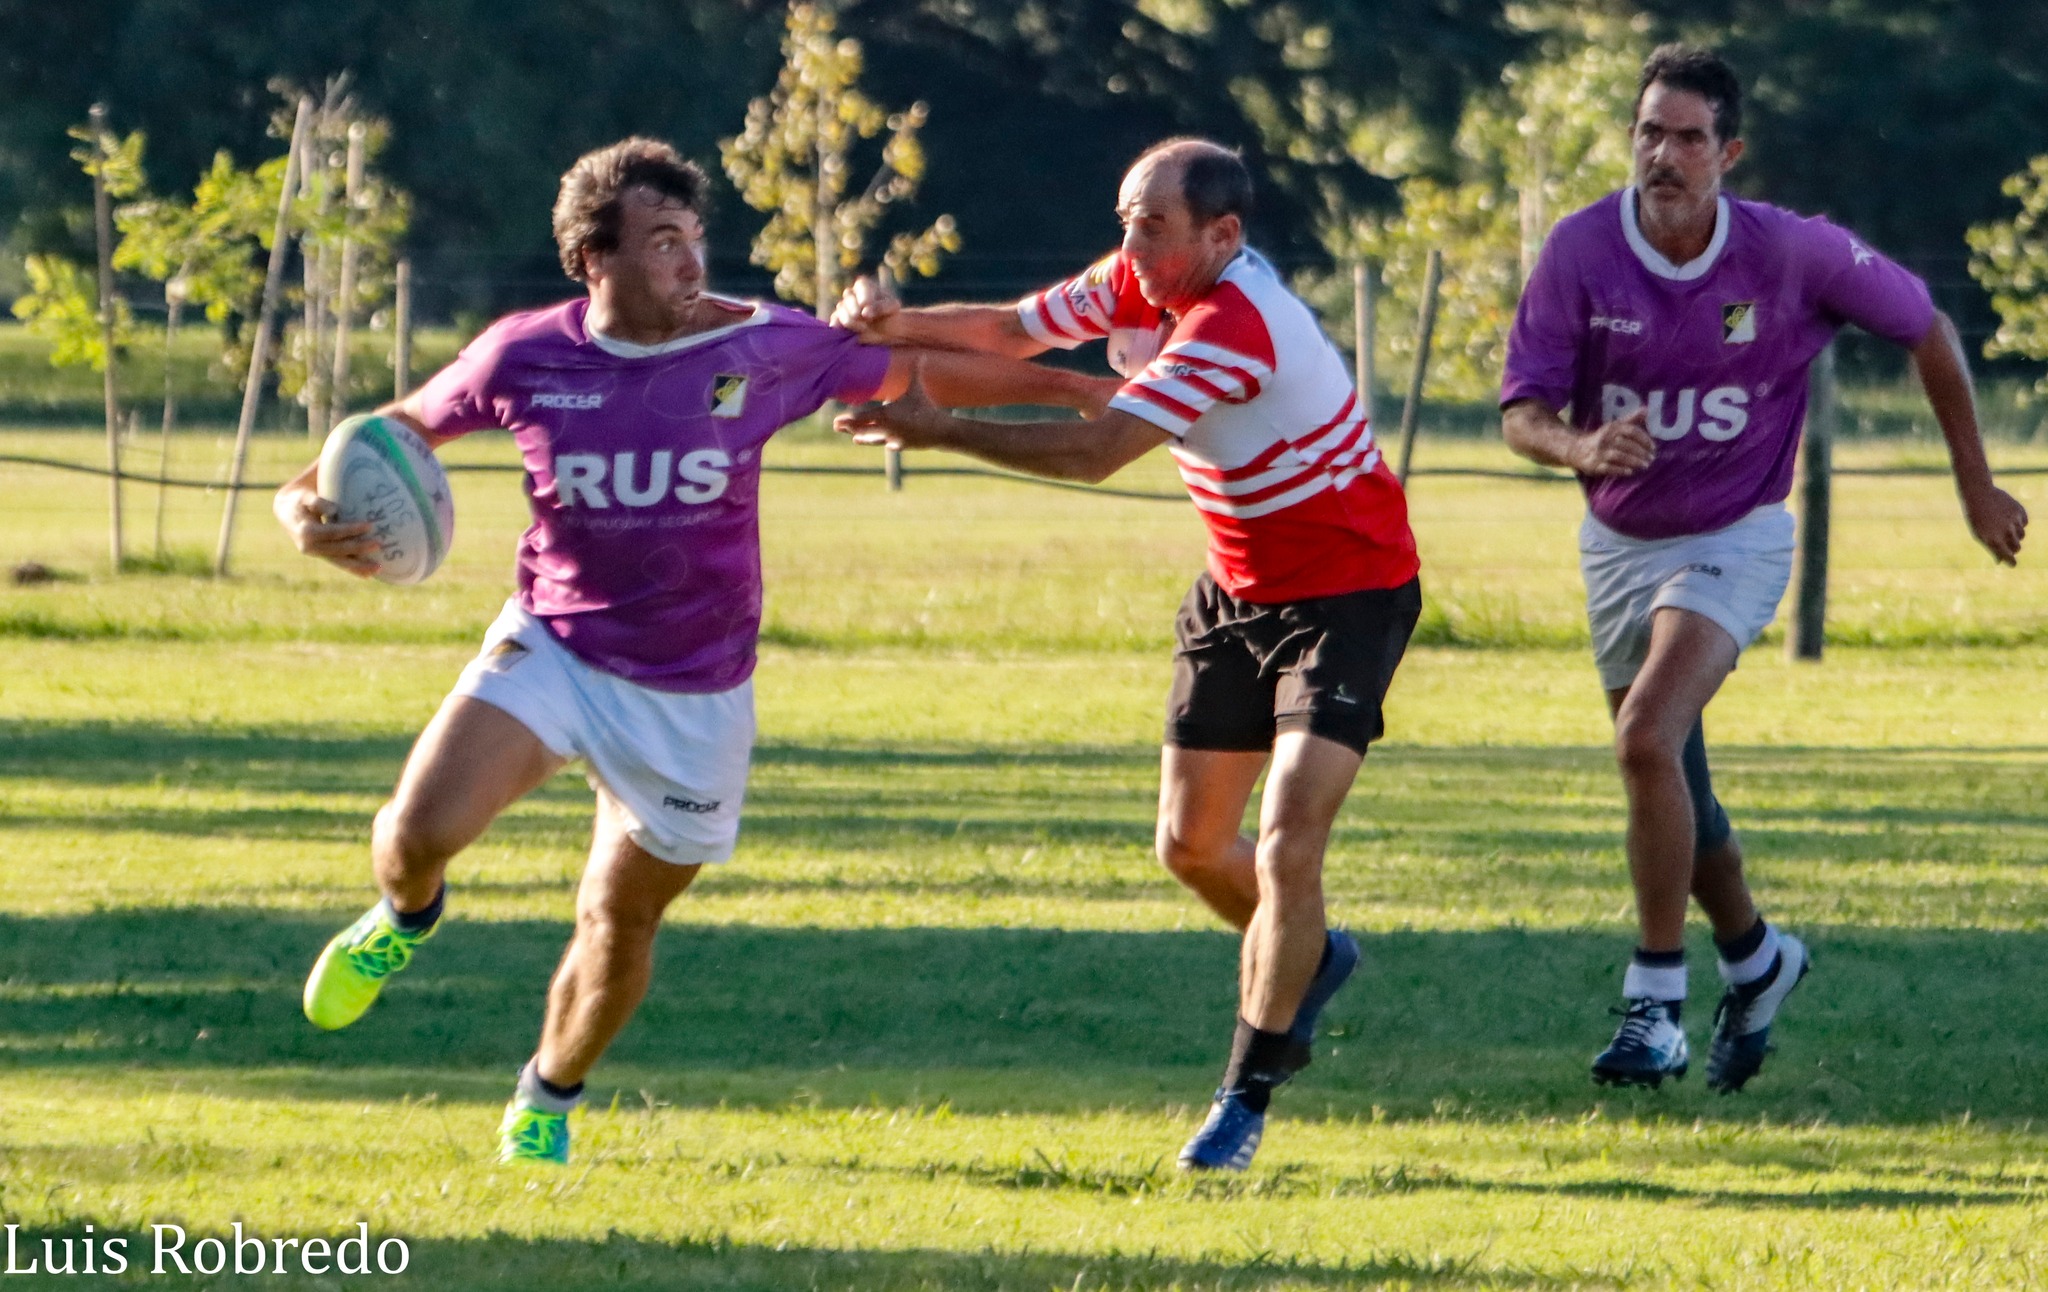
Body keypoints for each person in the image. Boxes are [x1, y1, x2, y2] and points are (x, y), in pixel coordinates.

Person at [274, 137, 1109, 1164]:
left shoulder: (768, 348)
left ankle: (545, 1097)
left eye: (693, 237)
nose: (689, 261)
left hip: (695, 693)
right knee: (414, 832)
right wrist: (300, 512)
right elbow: (380, 437)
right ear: (595, 258)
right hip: (555, 644)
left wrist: (1076, 393)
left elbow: (927, 370)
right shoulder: (522, 355)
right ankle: (404, 919)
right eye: (662, 240)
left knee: (617, 918)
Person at [832, 138, 1421, 1171]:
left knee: (1287, 843)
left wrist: (942, 429)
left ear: (1221, 235)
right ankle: (1310, 951)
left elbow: (1098, 448)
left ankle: (1242, 1097)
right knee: (1190, 847)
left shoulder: (1235, 321)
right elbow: (1009, 330)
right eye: (1125, 221)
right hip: (1235, 588)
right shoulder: (1140, 278)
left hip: (1349, 595)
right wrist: (895, 323)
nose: (1130, 244)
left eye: (1152, 225)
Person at [1500, 46, 2029, 1092]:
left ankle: (1655, 1004)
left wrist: (1975, 486)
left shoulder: (1790, 251)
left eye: (1688, 138)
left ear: (1727, 153)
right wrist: (1578, 445)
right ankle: (1756, 957)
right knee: (1675, 788)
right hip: (1616, 545)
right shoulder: (1580, 250)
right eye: (1649, 133)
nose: (1663, 155)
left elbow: (1926, 326)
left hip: (1735, 534)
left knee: (1643, 737)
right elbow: (1521, 411)